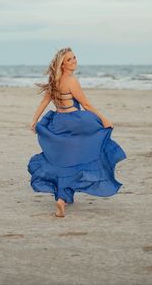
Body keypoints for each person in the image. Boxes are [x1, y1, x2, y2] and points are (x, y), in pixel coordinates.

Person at [27, 47, 127, 218]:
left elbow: (45, 101)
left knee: (63, 161)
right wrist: (104, 119)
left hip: (58, 123)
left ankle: (63, 198)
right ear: (62, 65)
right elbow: (86, 104)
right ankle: (62, 197)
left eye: (74, 57)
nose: (74, 61)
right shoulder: (72, 81)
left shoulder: (54, 80)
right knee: (87, 152)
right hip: (74, 124)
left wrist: (34, 120)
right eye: (69, 59)